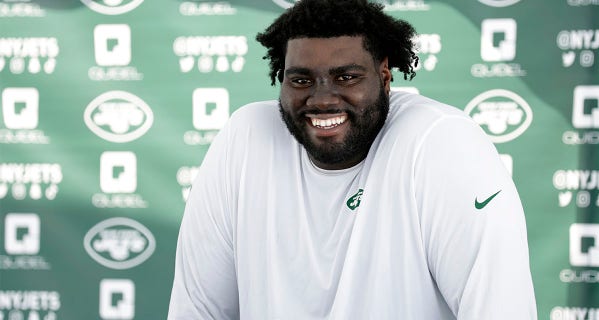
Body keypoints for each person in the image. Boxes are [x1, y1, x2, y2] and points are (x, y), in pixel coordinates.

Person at [168, 0, 537, 319]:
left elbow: (500, 310)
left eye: (346, 77)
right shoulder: (245, 137)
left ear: (385, 75)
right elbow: (199, 310)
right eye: (300, 80)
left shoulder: (442, 142)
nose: (322, 99)